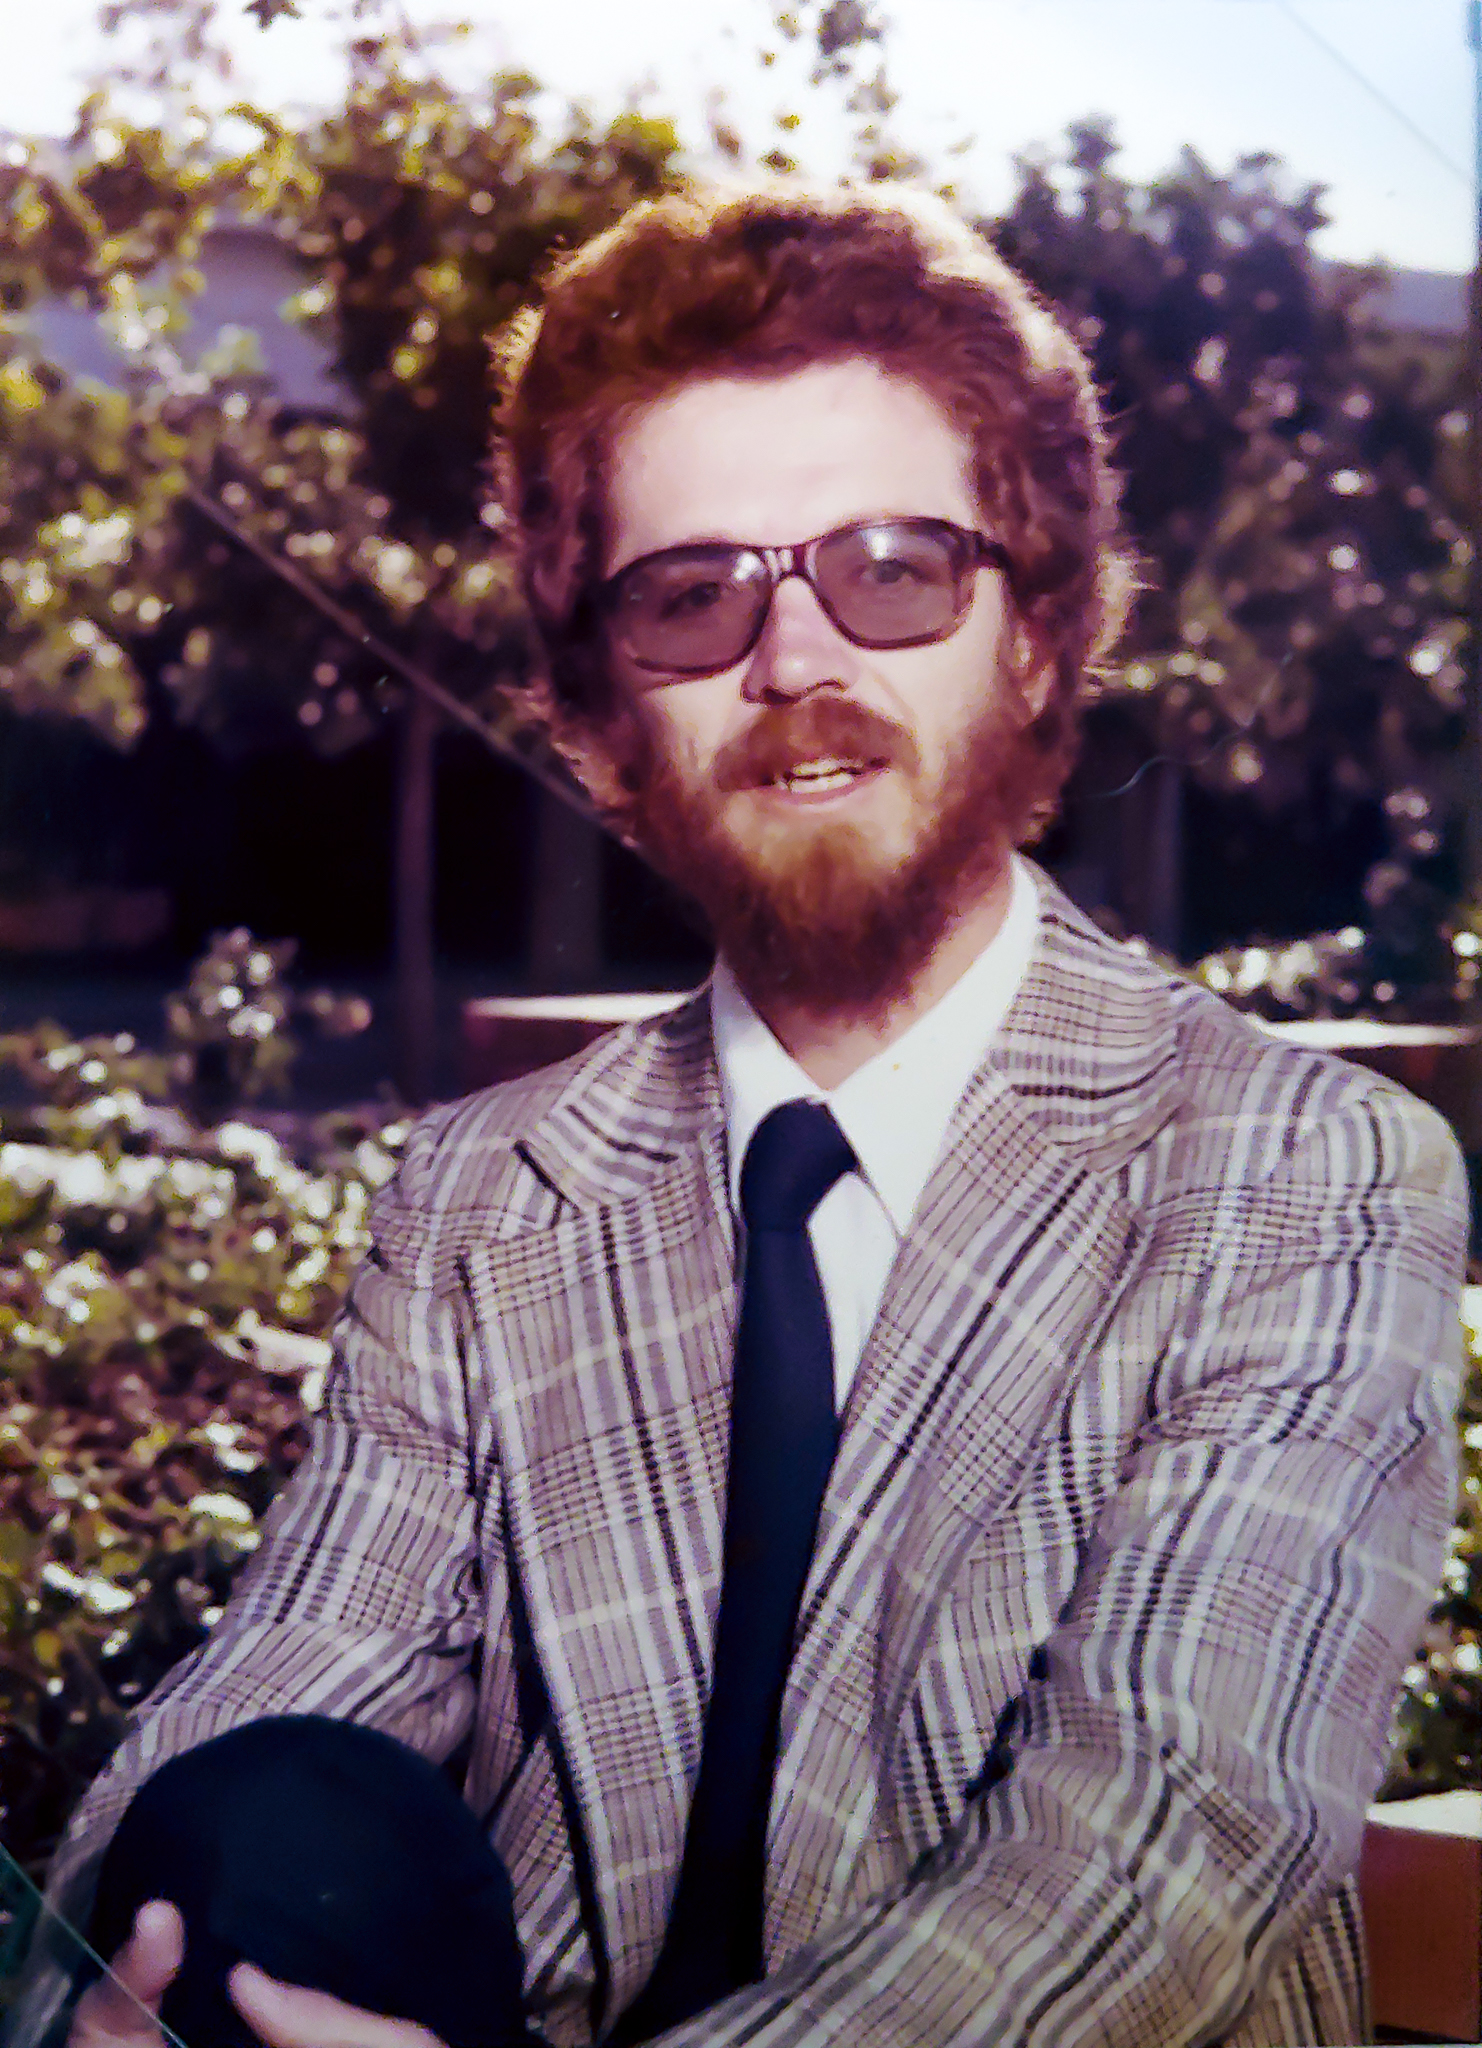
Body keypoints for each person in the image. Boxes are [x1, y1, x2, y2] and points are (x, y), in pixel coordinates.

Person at [19, 180, 1469, 2048]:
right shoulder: (482, 1200)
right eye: (691, 597)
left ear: (1035, 636)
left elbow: (1154, 1852)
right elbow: (286, 1682)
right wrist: (101, 1997)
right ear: (599, 712)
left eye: (893, 569)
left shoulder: (1303, 1172)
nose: (795, 665)